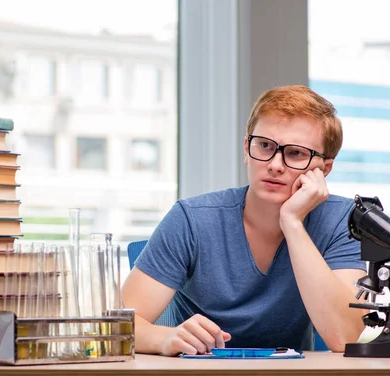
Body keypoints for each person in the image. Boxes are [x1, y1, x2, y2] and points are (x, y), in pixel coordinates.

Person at [122, 85, 367, 356]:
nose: (275, 164)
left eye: (295, 153)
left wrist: (292, 223)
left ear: (324, 169)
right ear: (246, 149)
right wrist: (165, 338)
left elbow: (345, 338)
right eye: (264, 146)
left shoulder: (341, 221)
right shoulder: (192, 219)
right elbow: (116, 327)